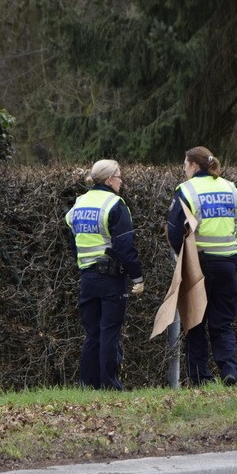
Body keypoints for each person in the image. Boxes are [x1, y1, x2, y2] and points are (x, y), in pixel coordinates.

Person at [166, 146, 237, 386]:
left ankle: (200, 378)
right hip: (227, 264)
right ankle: (230, 371)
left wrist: (183, 256)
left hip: (199, 264)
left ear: (194, 166)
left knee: (195, 321)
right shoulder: (231, 189)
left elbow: (175, 231)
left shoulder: (186, 190)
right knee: (223, 322)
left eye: (185, 165)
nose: (183, 169)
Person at [65, 160, 144, 390]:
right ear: (109, 179)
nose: (121, 180)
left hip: (87, 278)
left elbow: (73, 238)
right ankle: (110, 385)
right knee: (109, 331)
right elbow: (125, 247)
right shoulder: (115, 204)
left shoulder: (79, 203)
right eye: (119, 176)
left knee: (92, 334)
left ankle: (87, 385)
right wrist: (137, 278)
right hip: (110, 279)